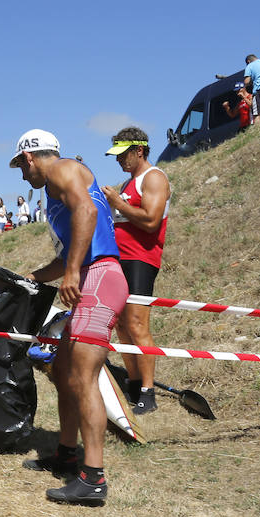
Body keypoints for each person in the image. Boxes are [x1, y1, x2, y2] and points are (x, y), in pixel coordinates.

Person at [13, 129, 128, 506]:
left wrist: (74, 272)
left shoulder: (64, 169)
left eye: (20, 166)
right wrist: (32, 277)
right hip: (90, 274)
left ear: (30, 157)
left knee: (83, 378)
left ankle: (93, 478)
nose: (22, 175)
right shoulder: (56, 187)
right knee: (64, 370)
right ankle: (65, 454)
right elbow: (66, 255)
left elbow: (89, 211)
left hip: (98, 277)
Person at [102, 127, 170, 415]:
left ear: (139, 150)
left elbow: (152, 221)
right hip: (121, 259)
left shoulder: (153, 177)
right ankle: (132, 381)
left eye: (123, 155)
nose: (119, 161)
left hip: (141, 260)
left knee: (139, 325)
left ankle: (148, 391)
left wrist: (118, 203)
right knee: (121, 325)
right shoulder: (130, 183)